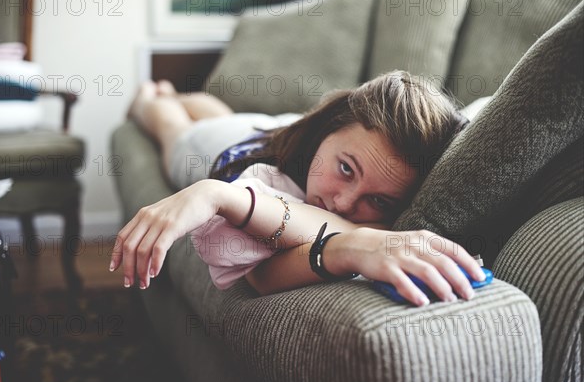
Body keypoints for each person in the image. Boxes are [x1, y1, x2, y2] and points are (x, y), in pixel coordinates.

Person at [110, 71, 486, 307]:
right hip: (223, 143)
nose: (342, 202)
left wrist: (352, 243)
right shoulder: (260, 174)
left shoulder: (344, 156)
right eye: (345, 169)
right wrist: (214, 192)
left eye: (378, 200)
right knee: (170, 122)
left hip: (273, 132)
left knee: (224, 114)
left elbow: (264, 273)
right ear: (329, 129)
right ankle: (152, 95)